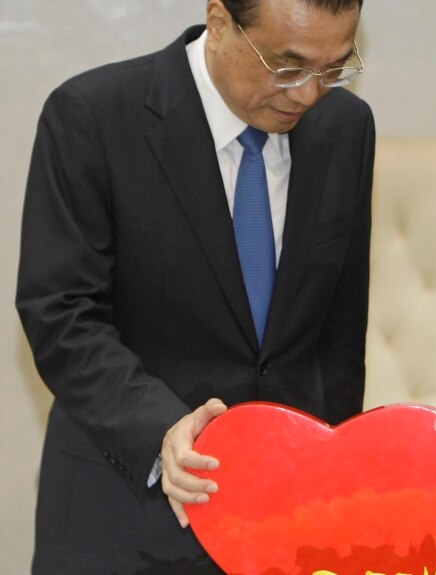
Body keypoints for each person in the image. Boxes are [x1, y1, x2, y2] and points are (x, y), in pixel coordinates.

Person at [16, 0, 373, 571]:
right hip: (125, 510)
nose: (307, 94)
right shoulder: (94, 116)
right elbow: (61, 314)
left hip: (287, 520)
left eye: (333, 67)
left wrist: (332, 484)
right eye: (287, 65)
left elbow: (339, 329)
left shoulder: (344, 128)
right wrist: (161, 426)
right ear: (219, 22)